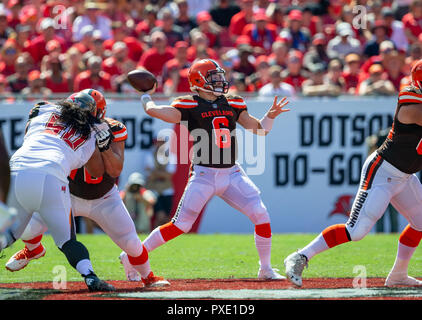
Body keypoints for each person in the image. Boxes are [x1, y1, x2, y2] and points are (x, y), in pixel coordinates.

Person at [121, 58, 290, 280]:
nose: (220, 81)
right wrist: (146, 100)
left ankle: (265, 269)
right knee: (180, 225)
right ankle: (131, 256)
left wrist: (270, 117)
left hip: (231, 172)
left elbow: (259, 130)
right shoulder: (189, 104)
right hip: (204, 175)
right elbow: (161, 113)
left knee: (260, 213)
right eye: (214, 77)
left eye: (220, 76)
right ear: (199, 81)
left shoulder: (233, 103)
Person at [5, 90, 169, 287]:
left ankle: (148, 277)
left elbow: (110, 170)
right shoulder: (59, 121)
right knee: (27, 230)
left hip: (103, 197)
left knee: (132, 243)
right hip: (67, 193)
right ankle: (33, 250)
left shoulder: (109, 129)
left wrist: (104, 145)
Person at [284, 59, 422, 288]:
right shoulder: (410, 100)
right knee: (356, 231)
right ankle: (300, 257)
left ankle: (398, 274)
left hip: (405, 176)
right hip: (383, 172)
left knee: (420, 222)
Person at [2, 92, 115, 292]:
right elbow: (97, 172)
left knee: (7, 235)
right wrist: (102, 145)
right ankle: (90, 276)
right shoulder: (89, 135)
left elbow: (34, 117)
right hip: (51, 174)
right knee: (67, 241)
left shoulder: (43, 109)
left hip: (17, 170)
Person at [366, 127, 399, 233]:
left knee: (380, 213)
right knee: (391, 214)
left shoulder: (380, 140)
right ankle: (392, 235)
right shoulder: (393, 139)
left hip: (382, 183)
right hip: (392, 183)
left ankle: (384, 234)